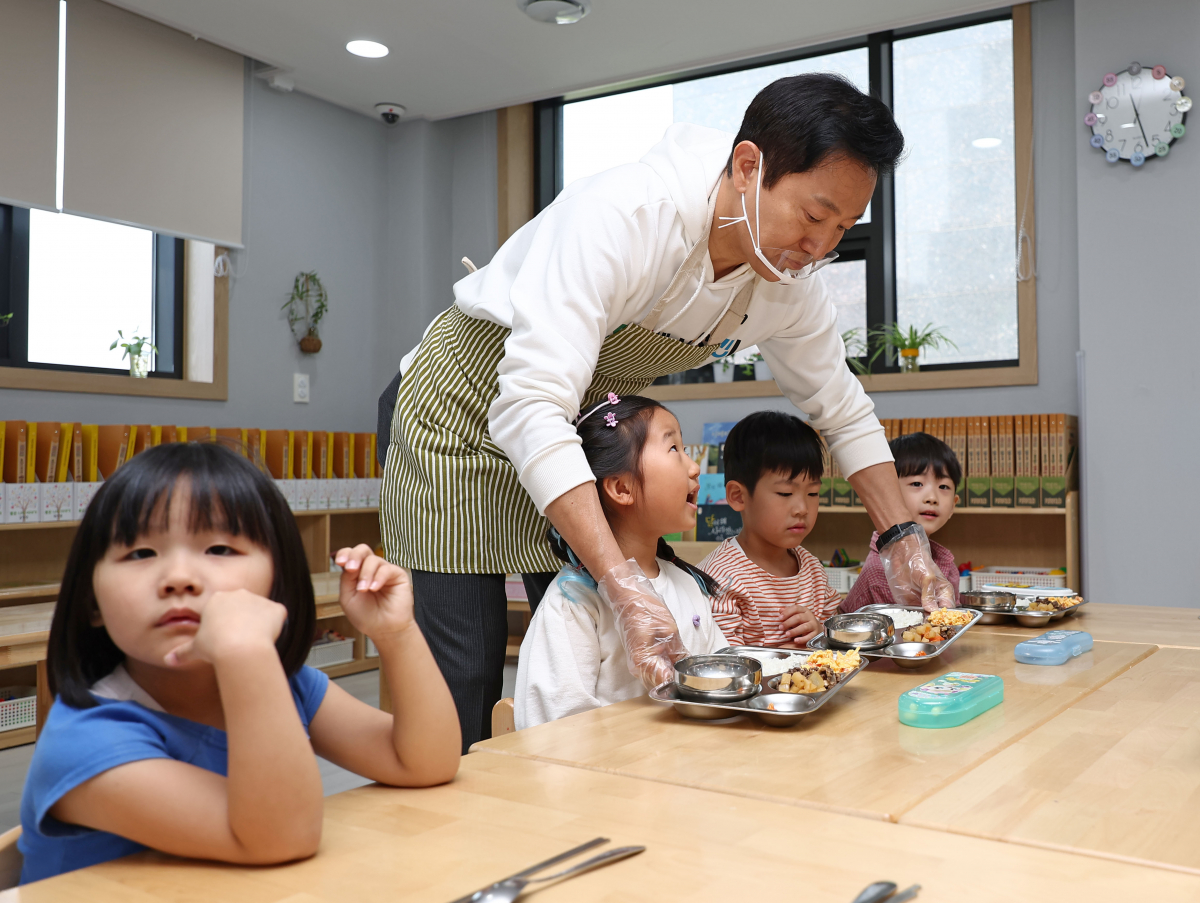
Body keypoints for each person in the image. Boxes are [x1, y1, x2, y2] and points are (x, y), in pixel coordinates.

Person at [378, 72, 953, 751]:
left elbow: (843, 412)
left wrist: (904, 543)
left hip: (579, 438)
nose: (821, 247)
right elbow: (530, 399)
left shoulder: (787, 286)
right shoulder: (626, 215)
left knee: (617, 654)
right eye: (813, 216)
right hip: (464, 418)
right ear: (748, 167)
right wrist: (618, 578)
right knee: (467, 673)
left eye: (842, 229)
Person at [19, 443, 460, 884]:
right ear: (92, 602)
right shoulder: (85, 738)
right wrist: (247, 653)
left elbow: (423, 763)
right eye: (141, 553)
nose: (179, 578)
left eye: (218, 548)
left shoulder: (286, 686)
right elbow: (282, 837)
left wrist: (395, 633)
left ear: (276, 582)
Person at [514, 395, 727, 729]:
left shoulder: (686, 584)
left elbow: (721, 679)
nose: (694, 467)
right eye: (674, 449)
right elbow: (552, 733)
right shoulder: (573, 606)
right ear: (622, 487)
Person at [700, 411, 840, 648]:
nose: (802, 508)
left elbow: (836, 641)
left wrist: (820, 633)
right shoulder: (721, 580)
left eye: (813, 493)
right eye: (785, 493)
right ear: (738, 496)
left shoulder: (814, 570)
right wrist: (788, 657)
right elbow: (724, 666)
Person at [842, 432, 962, 612]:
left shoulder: (946, 564)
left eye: (943, 486)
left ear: (954, 505)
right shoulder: (880, 573)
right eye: (917, 484)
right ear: (891, 495)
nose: (932, 497)